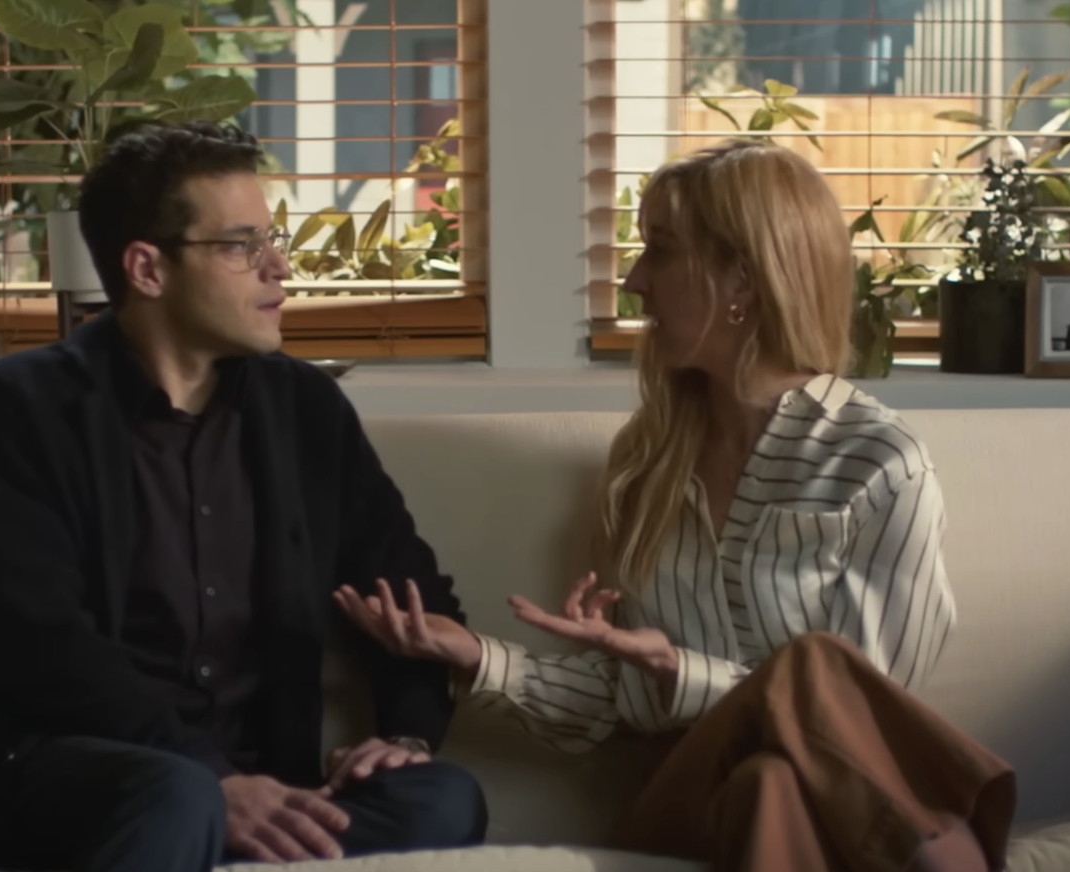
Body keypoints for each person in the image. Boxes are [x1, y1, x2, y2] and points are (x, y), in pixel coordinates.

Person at [334, 139, 1016, 872]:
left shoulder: (878, 465)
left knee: (774, 776)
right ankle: (944, 844)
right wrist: (472, 654)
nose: (632, 281)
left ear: (742, 282)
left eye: (658, 252)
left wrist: (678, 669)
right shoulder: (647, 458)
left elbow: (866, 714)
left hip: (809, 806)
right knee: (810, 677)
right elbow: (615, 701)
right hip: (675, 794)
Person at [0, 121, 487, 872]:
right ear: (147, 268)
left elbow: (412, 598)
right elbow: (38, 640)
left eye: (272, 241)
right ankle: (4, 832)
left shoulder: (306, 409)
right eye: (243, 246)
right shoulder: (25, 404)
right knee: (175, 798)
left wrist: (404, 737)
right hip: (65, 759)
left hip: (265, 779)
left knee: (443, 799)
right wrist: (215, 781)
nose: (280, 269)